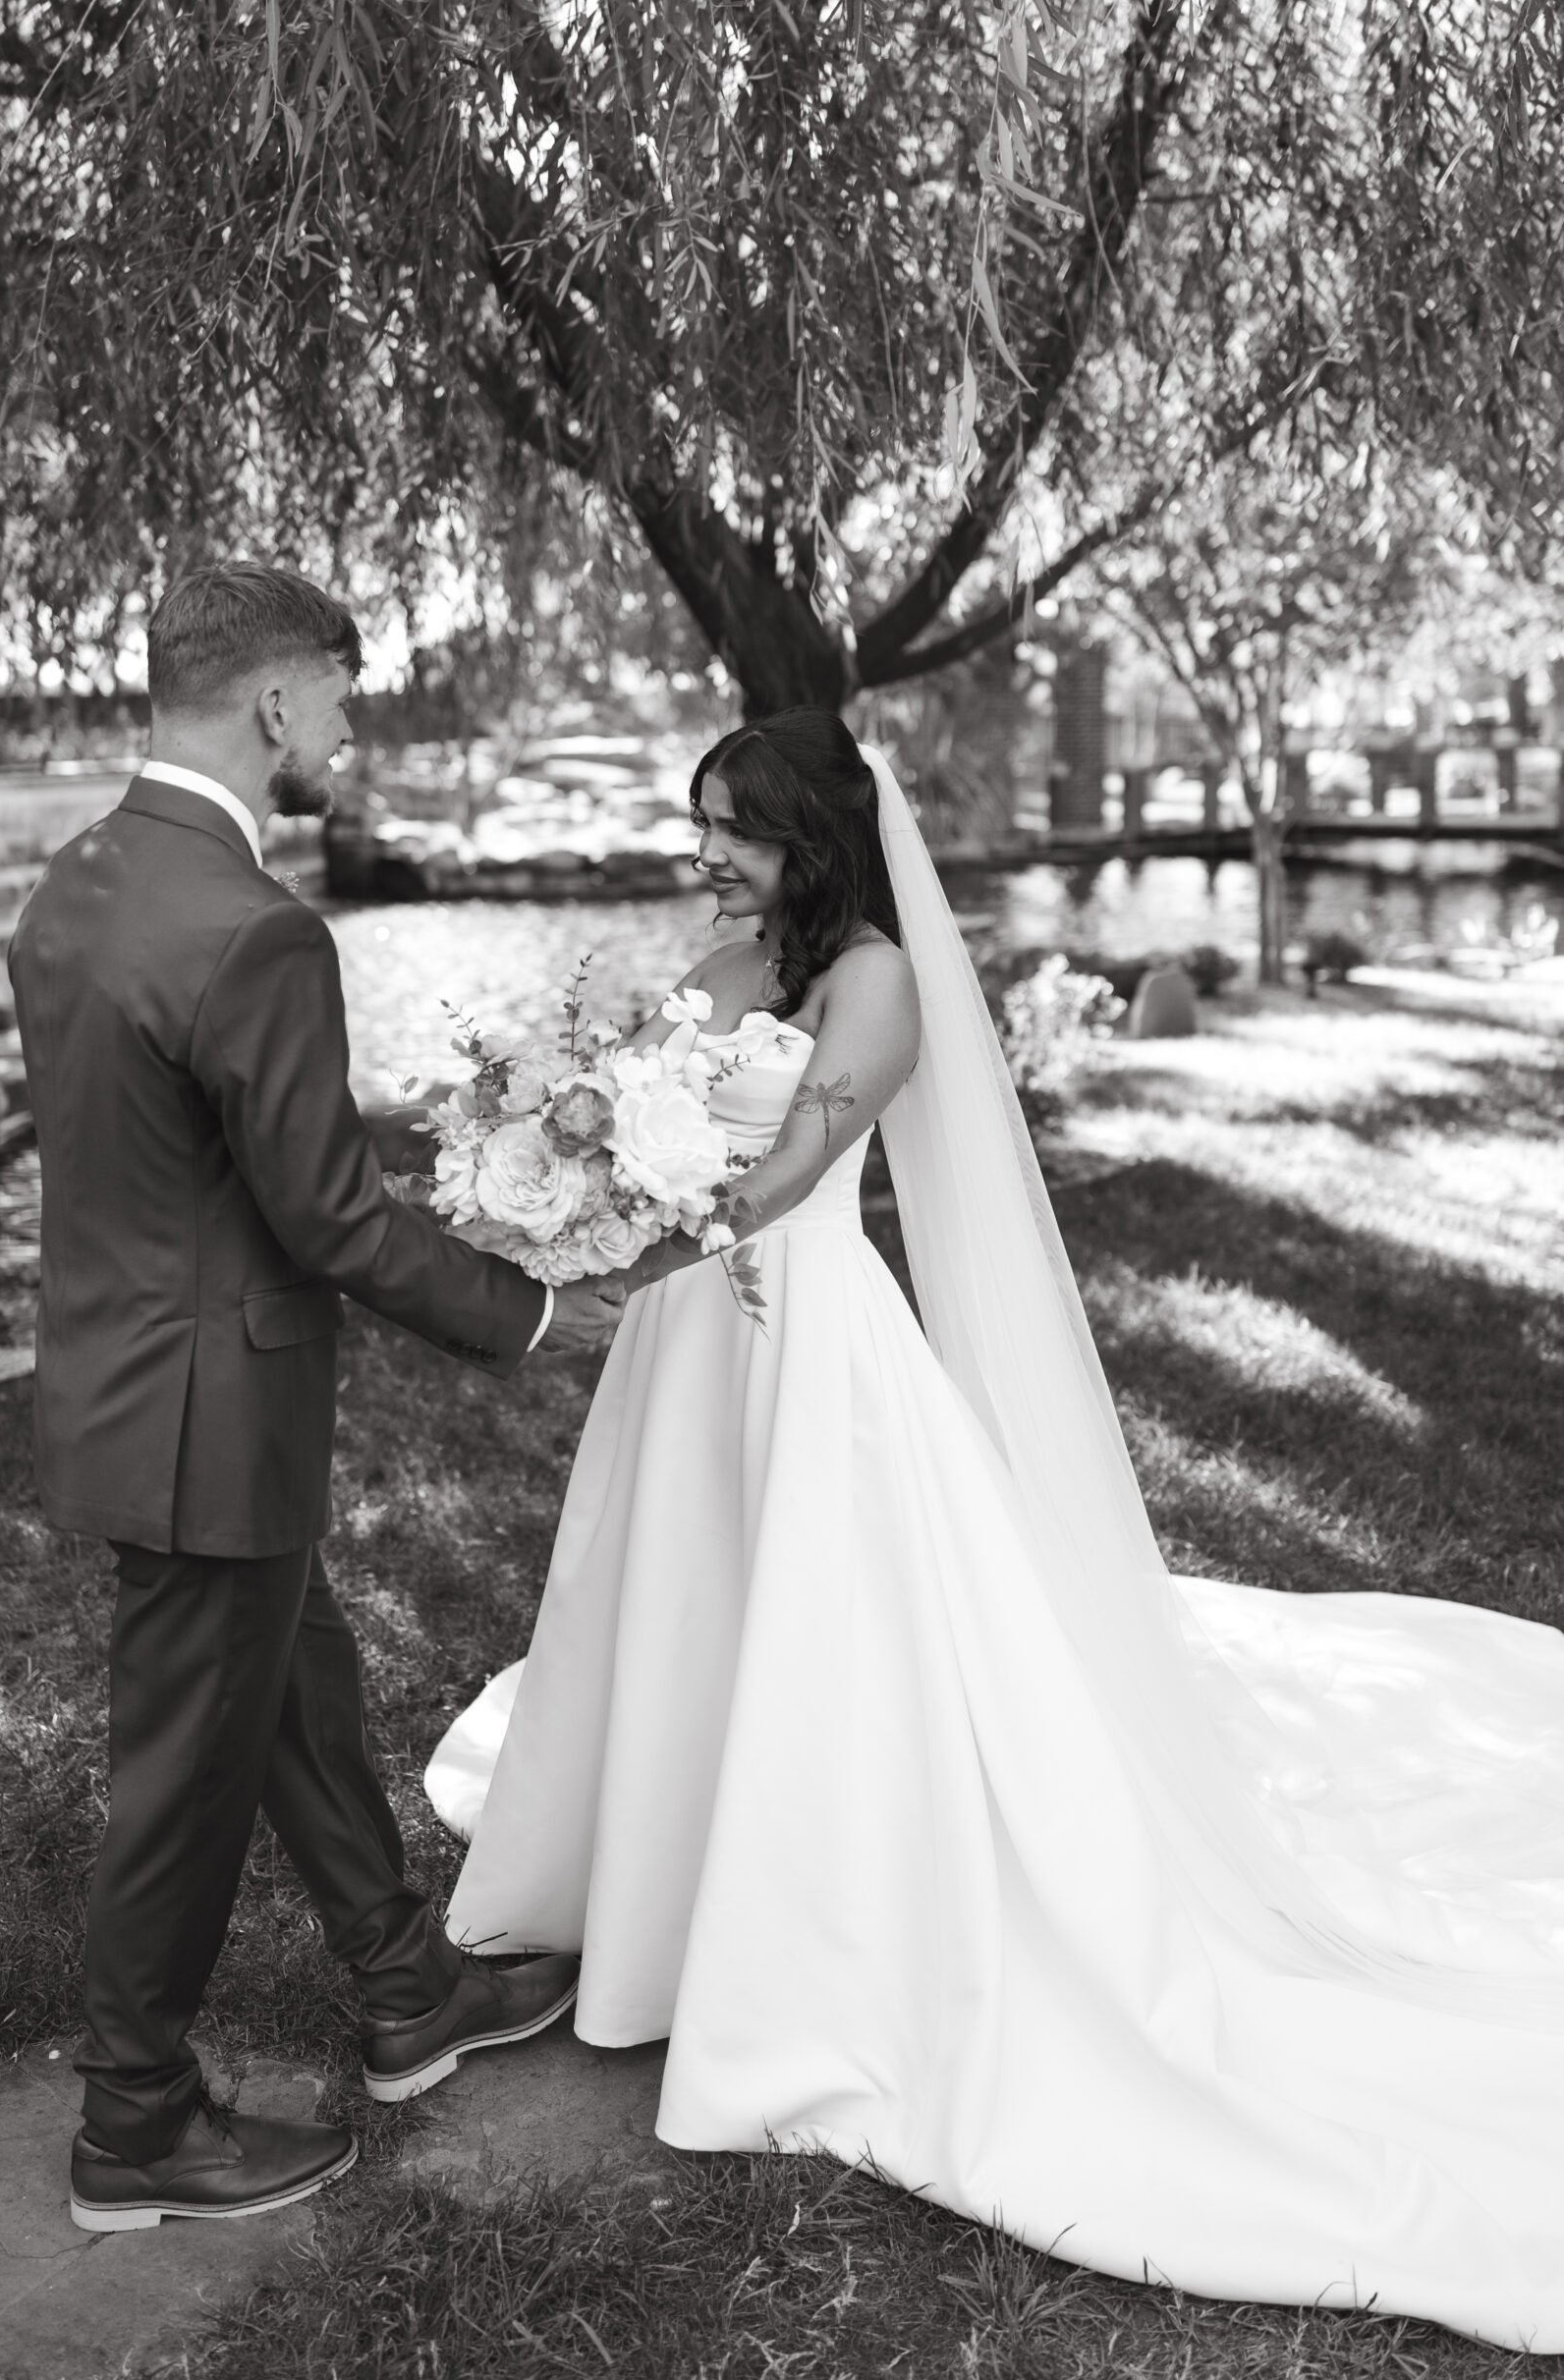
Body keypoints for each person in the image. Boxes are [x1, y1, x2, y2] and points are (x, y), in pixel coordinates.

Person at [433, 707, 1564, 2352]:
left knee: (828, 1626)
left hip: (799, 1329)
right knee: (670, 1604)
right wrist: (555, 1162)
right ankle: (654, 1887)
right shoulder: (718, 957)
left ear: (813, 835)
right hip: (684, 1337)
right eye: (701, 830)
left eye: (735, 832)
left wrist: (635, 1208)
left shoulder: (875, 982)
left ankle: (804, 1922)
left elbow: (778, 1178)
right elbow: (637, 1110)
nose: (709, 859)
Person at [9, 563, 623, 2235]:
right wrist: (535, 1309)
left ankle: (407, 1992)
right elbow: (329, 1214)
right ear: (276, 699)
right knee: (180, 1781)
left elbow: (162, 1167)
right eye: (344, 697)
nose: (350, 728)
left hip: (129, 1394)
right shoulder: (255, 927)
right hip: (216, 1424)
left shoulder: (72, 885)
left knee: (301, 1692)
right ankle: (133, 2124)